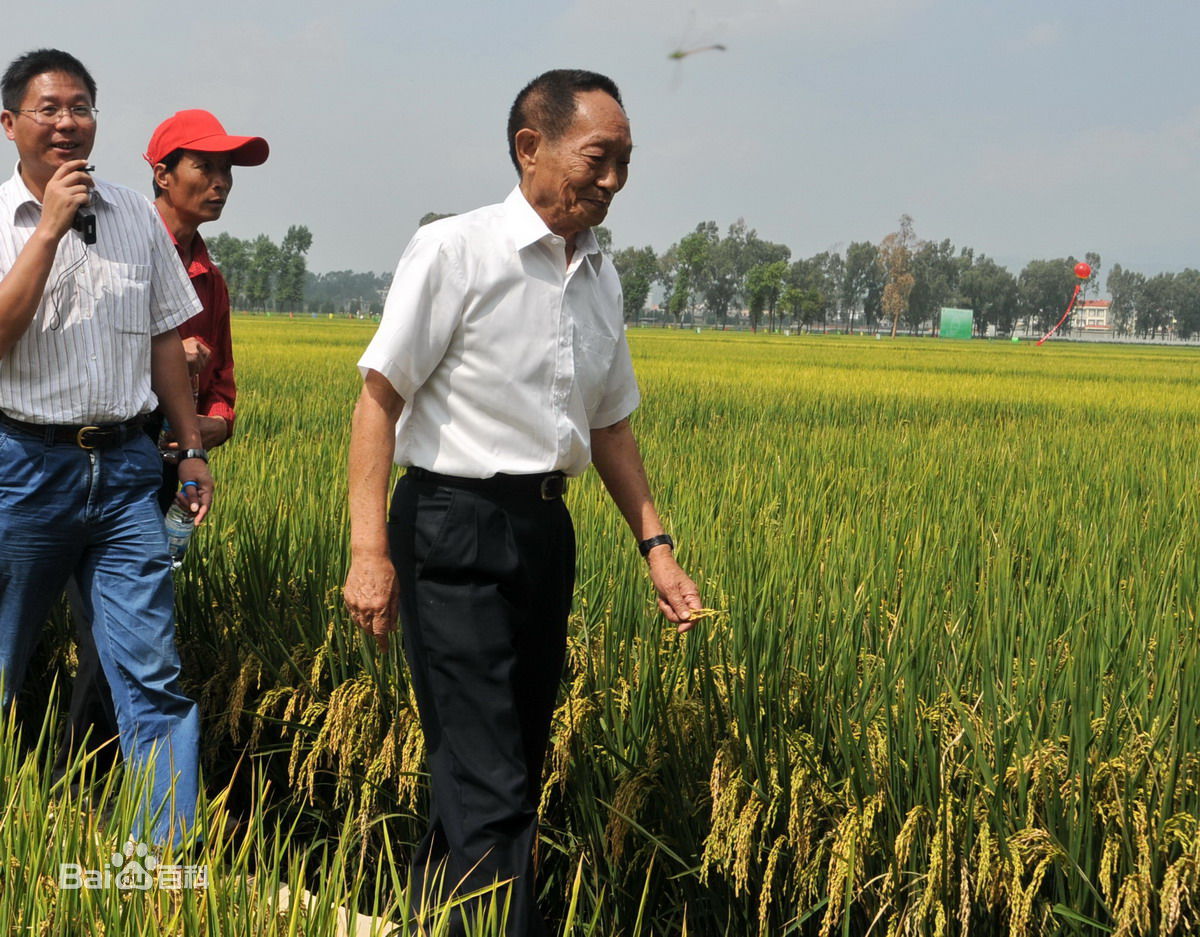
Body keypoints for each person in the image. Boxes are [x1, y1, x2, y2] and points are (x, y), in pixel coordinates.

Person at [343, 69, 702, 936]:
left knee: (503, 764)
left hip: (546, 531)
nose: (612, 180)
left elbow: (610, 424)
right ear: (529, 148)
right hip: (450, 527)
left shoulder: (600, 277)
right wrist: (368, 551)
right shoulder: (455, 251)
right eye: (598, 158)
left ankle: (434, 919)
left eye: (624, 162)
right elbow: (379, 398)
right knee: (492, 779)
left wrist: (656, 547)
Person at [0, 49, 212, 848]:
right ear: (10, 123)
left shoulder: (133, 216)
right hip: (22, 467)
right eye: (49, 107)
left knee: (151, 672)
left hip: (125, 472)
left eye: (81, 106)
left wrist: (189, 447)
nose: (66, 120)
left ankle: (164, 860)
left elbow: (165, 340)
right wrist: (48, 228)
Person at [60, 109, 268, 766]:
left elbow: (224, 393)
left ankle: (88, 782)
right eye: (205, 166)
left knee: (125, 638)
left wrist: (201, 431)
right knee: (99, 636)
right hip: (76, 462)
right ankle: (66, 780)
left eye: (227, 170)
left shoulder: (210, 277)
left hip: (156, 476)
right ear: (162, 173)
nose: (221, 181)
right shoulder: (106, 247)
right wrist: (166, 357)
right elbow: (68, 351)